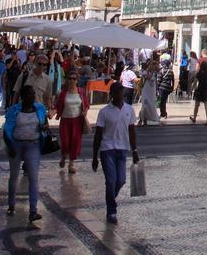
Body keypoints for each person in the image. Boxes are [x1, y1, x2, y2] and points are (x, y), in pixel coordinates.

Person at [91, 82, 138, 225]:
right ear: (112, 95)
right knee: (111, 181)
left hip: (122, 149)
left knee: (121, 180)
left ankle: (110, 197)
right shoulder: (104, 112)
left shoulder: (129, 109)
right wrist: (95, 156)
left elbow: (132, 131)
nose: (120, 95)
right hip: (107, 149)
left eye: (121, 92)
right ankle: (111, 211)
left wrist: (134, 150)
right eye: (117, 92)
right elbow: (98, 134)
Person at [3, 84, 47, 223]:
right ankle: (11, 204)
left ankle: (33, 210)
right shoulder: (14, 110)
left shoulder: (39, 108)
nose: (33, 96)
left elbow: (44, 122)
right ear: (23, 97)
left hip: (33, 144)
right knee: (14, 176)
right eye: (30, 94)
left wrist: (44, 127)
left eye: (33, 94)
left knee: (33, 177)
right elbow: (7, 129)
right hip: (16, 144)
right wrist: (10, 146)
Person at [53, 70, 89, 174]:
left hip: (77, 120)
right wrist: (52, 113)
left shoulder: (81, 91)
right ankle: (64, 156)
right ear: (67, 80)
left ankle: (71, 163)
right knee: (65, 142)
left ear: (77, 80)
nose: (72, 81)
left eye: (74, 79)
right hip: (65, 120)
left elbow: (86, 104)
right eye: (70, 79)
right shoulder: (63, 93)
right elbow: (57, 106)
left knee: (75, 142)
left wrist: (85, 112)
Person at [137, 61, 160, 127]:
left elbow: (155, 82)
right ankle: (141, 119)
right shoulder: (145, 72)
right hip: (146, 92)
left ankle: (147, 120)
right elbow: (148, 78)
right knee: (145, 106)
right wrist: (152, 72)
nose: (154, 67)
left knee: (151, 106)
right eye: (153, 65)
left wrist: (156, 91)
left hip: (152, 92)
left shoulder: (155, 73)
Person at [190, 59, 207, 125]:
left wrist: (193, 89)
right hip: (206, 90)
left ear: (201, 66)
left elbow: (195, 83)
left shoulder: (198, 73)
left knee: (196, 106)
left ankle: (194, 118)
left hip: (199, 90)